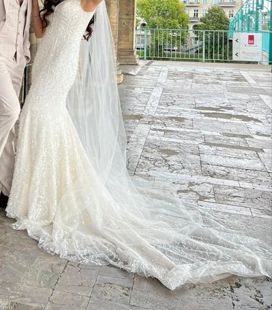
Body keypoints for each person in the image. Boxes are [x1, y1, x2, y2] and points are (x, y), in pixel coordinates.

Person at [5, 0, 272, 290]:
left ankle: (44, 192)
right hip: (46, 60)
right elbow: (41, 33)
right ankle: (36, 190)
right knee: (36, 118)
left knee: (40, 115)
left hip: (62, 66)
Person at [0, 0, 32, 208]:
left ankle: (4, 188)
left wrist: (25, 52)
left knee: (10, 126)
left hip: (17, 58)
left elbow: (26, 26)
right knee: (11, 111)